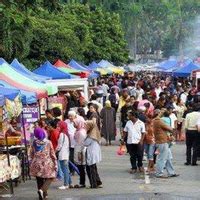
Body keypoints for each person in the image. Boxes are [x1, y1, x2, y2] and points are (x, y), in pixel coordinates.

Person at [30, 128, 57, 200]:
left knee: (39, 179)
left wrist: (32, 160)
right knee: (50, 177)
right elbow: (52, 154)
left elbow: (31, 153)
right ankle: (42, 190)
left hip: (36, 163)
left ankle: (42, 196)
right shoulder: (48, 142)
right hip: (46, 163)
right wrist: (55, 163)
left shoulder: (34, 142)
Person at [153, 109, 179, 178]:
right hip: (162, 141)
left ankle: (171, 172)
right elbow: (170, 129)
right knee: (162, 158)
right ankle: (159, 173)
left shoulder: (155, 120)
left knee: (167, 158)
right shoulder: (159, 121)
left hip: (161, 141)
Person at [84, 119, 102, 188]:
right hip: (94, 153)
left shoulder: (91, 135)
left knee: (90, 169)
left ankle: (93, 184)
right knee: (94, 168)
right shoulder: (95, 133)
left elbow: (85, 143)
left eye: (86, 125)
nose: (85, 126)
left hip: (91, 153)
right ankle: (97, 182)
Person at [56, 121, 73, 189]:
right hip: (66, 153)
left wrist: (55, 150)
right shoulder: (66, 134)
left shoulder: (61, 134)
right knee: (66, 169)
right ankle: (70, 182)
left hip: (62, 154)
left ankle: (66, 184)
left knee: (65, 169)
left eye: (59, 126)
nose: (58, 127)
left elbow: (59, 145)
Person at [73, 113, 87, 188]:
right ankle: (82, 182)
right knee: (81, 168)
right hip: (79, 151)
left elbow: (82, 145)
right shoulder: (80, 130)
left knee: (81, 168)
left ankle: (82, 182)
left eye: (75, 123)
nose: (74, 125)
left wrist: (80, 155)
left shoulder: (81, 132)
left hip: (80, 152)